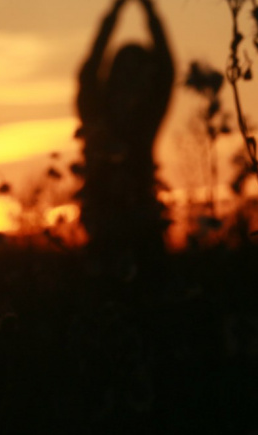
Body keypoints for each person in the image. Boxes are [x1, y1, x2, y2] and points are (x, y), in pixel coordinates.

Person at [76, 0, 174, 281]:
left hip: (145, 228)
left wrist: (150, 12)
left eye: (139, 72)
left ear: (147, 79)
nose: (131, 78)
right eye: (126, 69)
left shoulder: (147, 117)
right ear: (113, 73)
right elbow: (91, 67)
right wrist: (115, 12)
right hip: (102, 227)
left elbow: (167, 69)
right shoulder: (94, 112)